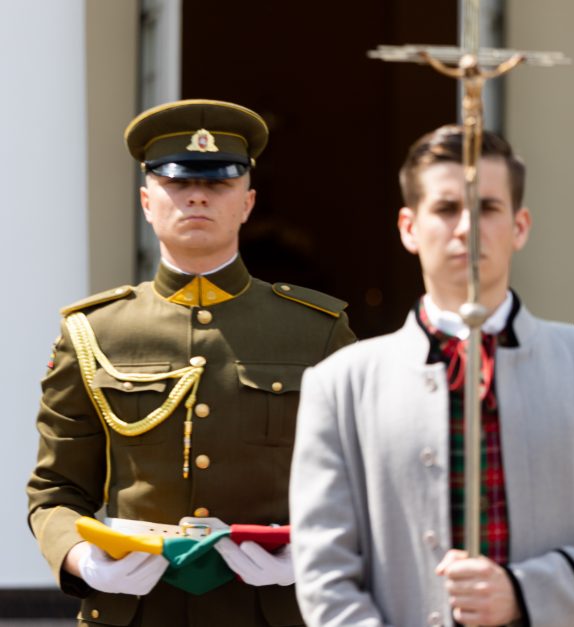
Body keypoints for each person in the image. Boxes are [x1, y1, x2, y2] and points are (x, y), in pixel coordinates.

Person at [290, 125, 574, 627]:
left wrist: (524, 592)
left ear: (520, 226)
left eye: (488, 209)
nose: (467, 228)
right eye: (447, 208)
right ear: (409, 227)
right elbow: (324, 575)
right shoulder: (340, 385)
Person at [26, 99, 356, 626]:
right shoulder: (93, 331)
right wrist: (82, 559)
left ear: (248, 202)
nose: (197, 195)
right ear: (146, 201)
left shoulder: (316, 331)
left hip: (271, 612)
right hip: (133, 611)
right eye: (177, 183)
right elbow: (55, 492)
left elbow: (362, 479)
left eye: (220, 183)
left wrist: (317, 555)